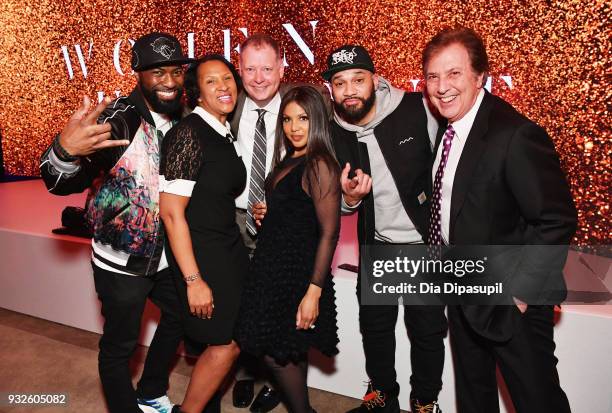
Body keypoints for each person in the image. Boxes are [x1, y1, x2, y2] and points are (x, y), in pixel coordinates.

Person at [422, 28, 576, 413]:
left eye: (454, 74)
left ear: (480, 76)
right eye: (433, 76)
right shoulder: (450, 128)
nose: (442, 87)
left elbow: (556, 219)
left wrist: (520, 297)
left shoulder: (515, 135)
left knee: (538, 401)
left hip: (511, 302)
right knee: (475, 399)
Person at [40, 32, 191, 413]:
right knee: (119, 348)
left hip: (169, 256)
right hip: (121, 263)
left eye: (175, 71)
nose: (170, 81)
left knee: (183, 316)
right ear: (139, 73)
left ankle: (152, 391)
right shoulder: (120, 119)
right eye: (158, 73)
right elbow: (60, 182)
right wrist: (64, 151)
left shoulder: (187, 116)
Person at [324, 45, 446, 413]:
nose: (350, 91)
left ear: (375, 80)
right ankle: (383, 395)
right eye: (340, 83)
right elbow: (343, 202)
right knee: (374, 328)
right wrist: (349, 199)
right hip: (377, 245)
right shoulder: (334, 131)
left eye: (357, 80)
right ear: (331, 88)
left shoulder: (414, 108)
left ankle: (425, 401)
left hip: (423, 246)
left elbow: (448, 169)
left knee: (426, 332)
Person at [229, 33, 331, 413]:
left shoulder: (301, 105)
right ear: (239, 70)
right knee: (242, 305)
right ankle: (243, 375)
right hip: (236, 221)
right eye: (250, 69)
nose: (258, 78)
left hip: (283, 232)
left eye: (267, 68)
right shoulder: (227, 104)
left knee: (286, 317)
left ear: (282, 68)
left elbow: (323, 169)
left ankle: (280, 386)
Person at [159, 54, 248, 413]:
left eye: (227, 78)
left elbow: (217, 193)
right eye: (211, 81)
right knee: (224, 345)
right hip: (203, 255)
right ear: (197, 93)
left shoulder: (221, 131)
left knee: (233, 340)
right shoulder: (189, 134)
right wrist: (193, 279)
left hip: (227, 248)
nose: (223, 86)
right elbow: (170, 213)